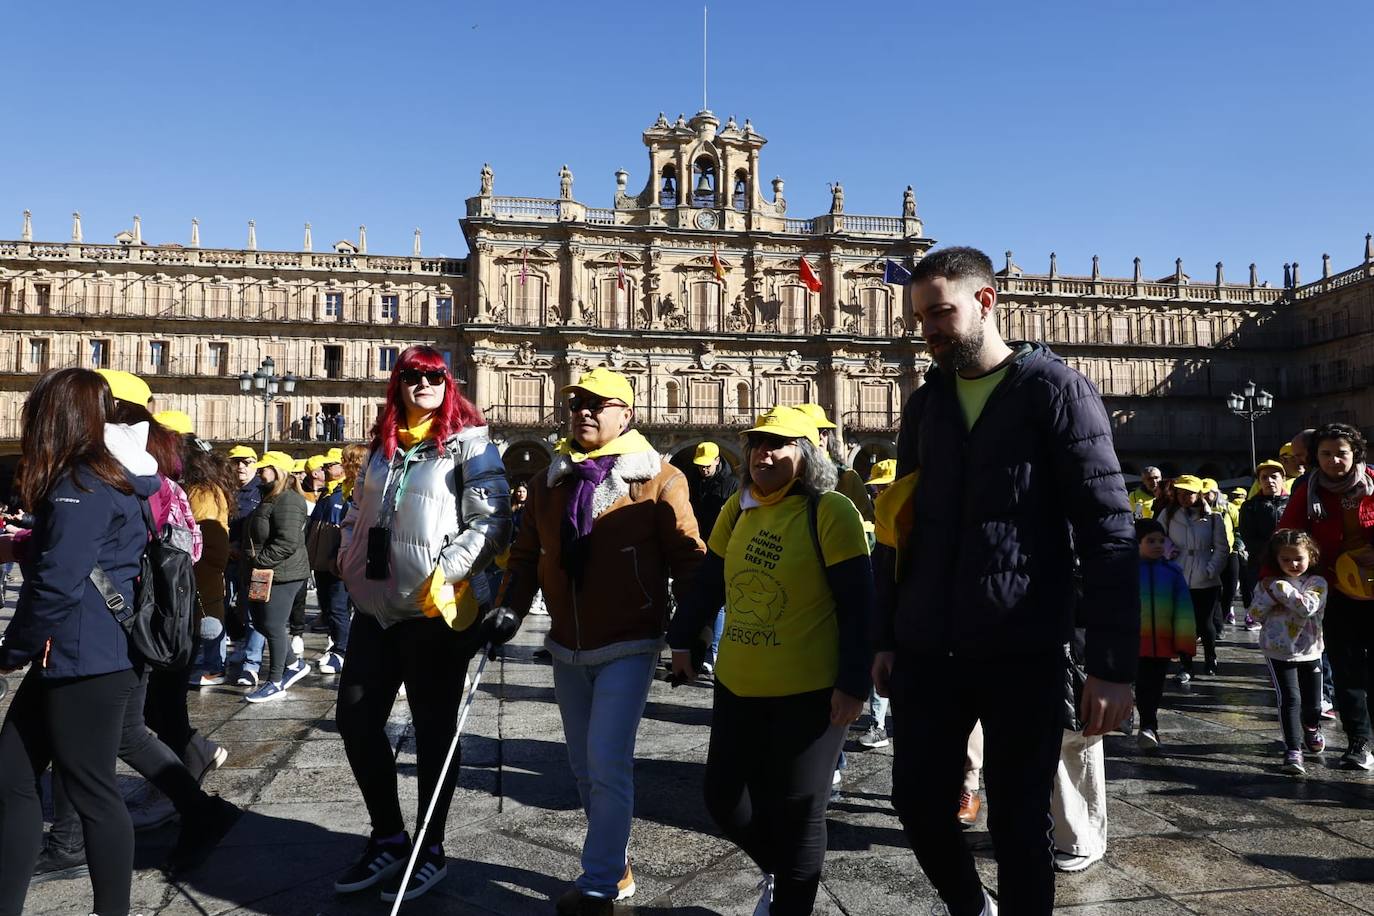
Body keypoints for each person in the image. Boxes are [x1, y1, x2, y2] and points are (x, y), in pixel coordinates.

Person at [869, 247, 1137, 916]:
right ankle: (973, 908)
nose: (927, 329)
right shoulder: (927, 402)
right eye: (919, 318)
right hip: (930, 644)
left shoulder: (1054, 391)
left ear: (985, 303)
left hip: (1023, 646)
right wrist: (885, 636)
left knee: (1020, 828)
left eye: (940, 313)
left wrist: (1110, 664)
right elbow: (900, 526)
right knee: (917, 805)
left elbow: (1108, 531)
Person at [490, 367, 704, 916]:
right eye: (577, 402)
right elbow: (524, 554)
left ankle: (600, 880)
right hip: (567, 642)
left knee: (608, 759)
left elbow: (688, 558)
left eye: (598, 403)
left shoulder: (659, 477)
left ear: (625, 414)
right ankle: (619, 862)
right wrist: (509, 609)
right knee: (584, 767)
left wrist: (689, 632)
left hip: (630, 638)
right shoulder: (549, 481)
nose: (584, 410)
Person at [668, 405, 873, 916]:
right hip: (739, 683)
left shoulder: (831, 511)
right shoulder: (738, 508)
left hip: (810, 690)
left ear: (805, 455)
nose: (763, 453)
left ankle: (793, 902)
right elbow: (709, 581)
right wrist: (683, 639)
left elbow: (860, 606)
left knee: (801, 809)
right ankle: (783, 871)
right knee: (724, 799)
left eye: (777, 444)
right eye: (757, 443)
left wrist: (853, 683)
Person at [334, 345, 510, 903]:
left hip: (435, 612)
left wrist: (446, 573)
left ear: (449, 383)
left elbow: (494, 521)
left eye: (435, 376)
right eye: (412, 376)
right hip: (375, 609)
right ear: (398, 384)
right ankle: (388, 836)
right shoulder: (382, 449)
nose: (424, 385)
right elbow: (360, 513)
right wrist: (347, 557)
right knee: (356, 723)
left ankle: (429, 848)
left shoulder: (471, 445)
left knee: (434, 732)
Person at [0, 369, 164, 916]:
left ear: (55, 416)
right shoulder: (107, 476)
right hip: (86, 651)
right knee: (14, 777)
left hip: (80, 656)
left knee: (92, 792)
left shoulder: (80, 483)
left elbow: (58, 581)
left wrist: (11, 650)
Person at [1275, 423, 1374, 771]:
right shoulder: (1307, 491)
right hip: (1334, 591)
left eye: (1341, 453)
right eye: (1326, 454)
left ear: (1356, 453)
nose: (1334, 460)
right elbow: (1286, 536)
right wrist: (1274, 585)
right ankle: (1358, 742)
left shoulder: (1373, 484)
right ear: (1316, 458)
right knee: (1346, 670)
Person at [1249, 529, 1328, 775]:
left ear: (1310, 557)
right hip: (1278, 650)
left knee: (1314, 704)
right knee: (1290, 699)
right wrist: (1270, 594)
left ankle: (1312, 728)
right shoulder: (1266, 584)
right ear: (1276, 559)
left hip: (1310, 650)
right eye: (1286, 559)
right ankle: (1293, 749)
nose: (1293, 564)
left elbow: (1306, 608)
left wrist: (1280, 589)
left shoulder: (1316, 583)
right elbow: (1255, 613)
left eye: (1298, 559)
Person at [240, 450, 311, 700]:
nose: (260, 472)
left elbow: (287, 542)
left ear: (279, 471)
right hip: (264, 572)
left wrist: (259, 561)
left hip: (283, 574)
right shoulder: (269, 497)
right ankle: (295, 665)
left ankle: (276, 681)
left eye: (264, 468)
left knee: (273, 625)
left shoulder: (289, 500)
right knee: (260, 623)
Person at [1158, 475, 1227, 679]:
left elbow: (1222, 548)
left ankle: (1210, 657)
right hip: (1178, 574)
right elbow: (1157, 537)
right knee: (1182, 624)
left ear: (1199, 494)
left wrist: (1211, 569)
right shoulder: (1168, 514)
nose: (1184, 497)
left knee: (1205, 623)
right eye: (1180, 492)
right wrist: (1168, 556)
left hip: (1205, 576)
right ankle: (1185, 665)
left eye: (1189, 493)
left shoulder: (1213, 517)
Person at [1134, 519, 1195, 750]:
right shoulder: (1127, 572)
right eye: (1151, 541)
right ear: (1137, 543)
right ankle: (1146, 725)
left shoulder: (1172, 571)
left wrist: (1183, 642)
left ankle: (1149, 726)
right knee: (1141, 684)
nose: (1158, 545)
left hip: (1162, 643)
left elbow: (1183, 610)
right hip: (1135, 643)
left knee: (1155, 686)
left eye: (1161, 540)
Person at [184, 441, 238, 687]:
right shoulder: (204, 489)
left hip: (202, 568)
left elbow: (209, 533)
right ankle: (210, 663)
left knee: (207, 616)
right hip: (204, 567)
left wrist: (204, 564)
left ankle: (214, 667)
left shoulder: (204, 492)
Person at [687, 441, 739, 674]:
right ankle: (697, 649)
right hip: (698, 547)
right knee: (697, 600)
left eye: (707, 465)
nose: (703, 469)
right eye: (700, 465)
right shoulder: (693, 481)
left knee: (718, 605)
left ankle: (714, 651)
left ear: (717, 461)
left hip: (722, 549)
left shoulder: (732, 485)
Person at [857, 458, 897, 750]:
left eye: (885, 488)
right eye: (875, 490)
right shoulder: (871, 525)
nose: (878, 495)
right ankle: (879, 724)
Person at [306, 448, 350, 674]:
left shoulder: (346, 493)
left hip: (335, 563)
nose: (324, 469)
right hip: (321, 562)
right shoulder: (327, 493)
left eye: (329, 465)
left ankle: (343, 651)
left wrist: (336, 557)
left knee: (338, 607)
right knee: (328, 607)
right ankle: (336, 645)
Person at [796, 403, 873, 523]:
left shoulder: (847, 477)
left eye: (823, 432)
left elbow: (867, 523)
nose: (820, 437)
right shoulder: (783, 475)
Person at [1238, 460, 1290, 624]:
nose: (1269, 481)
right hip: (1261, 565)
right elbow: (1249, 537)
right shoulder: (1250, 506)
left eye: (1274, 476)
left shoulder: (1293, 502)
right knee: (1267, 611)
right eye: (1264, 477)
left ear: (1283, 478)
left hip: (1291, 565)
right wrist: (1272, 555)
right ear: (1259, 481)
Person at [225, 444, 262, 646]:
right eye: (235, 462)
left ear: (255, 465)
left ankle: (251, 657)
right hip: (227, 557)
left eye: (246, 462)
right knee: (220, 605)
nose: (241, 467)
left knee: (252, 611)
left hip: (252, 562)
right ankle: (237, 637)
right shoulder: (225, 488)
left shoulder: (262, 491)